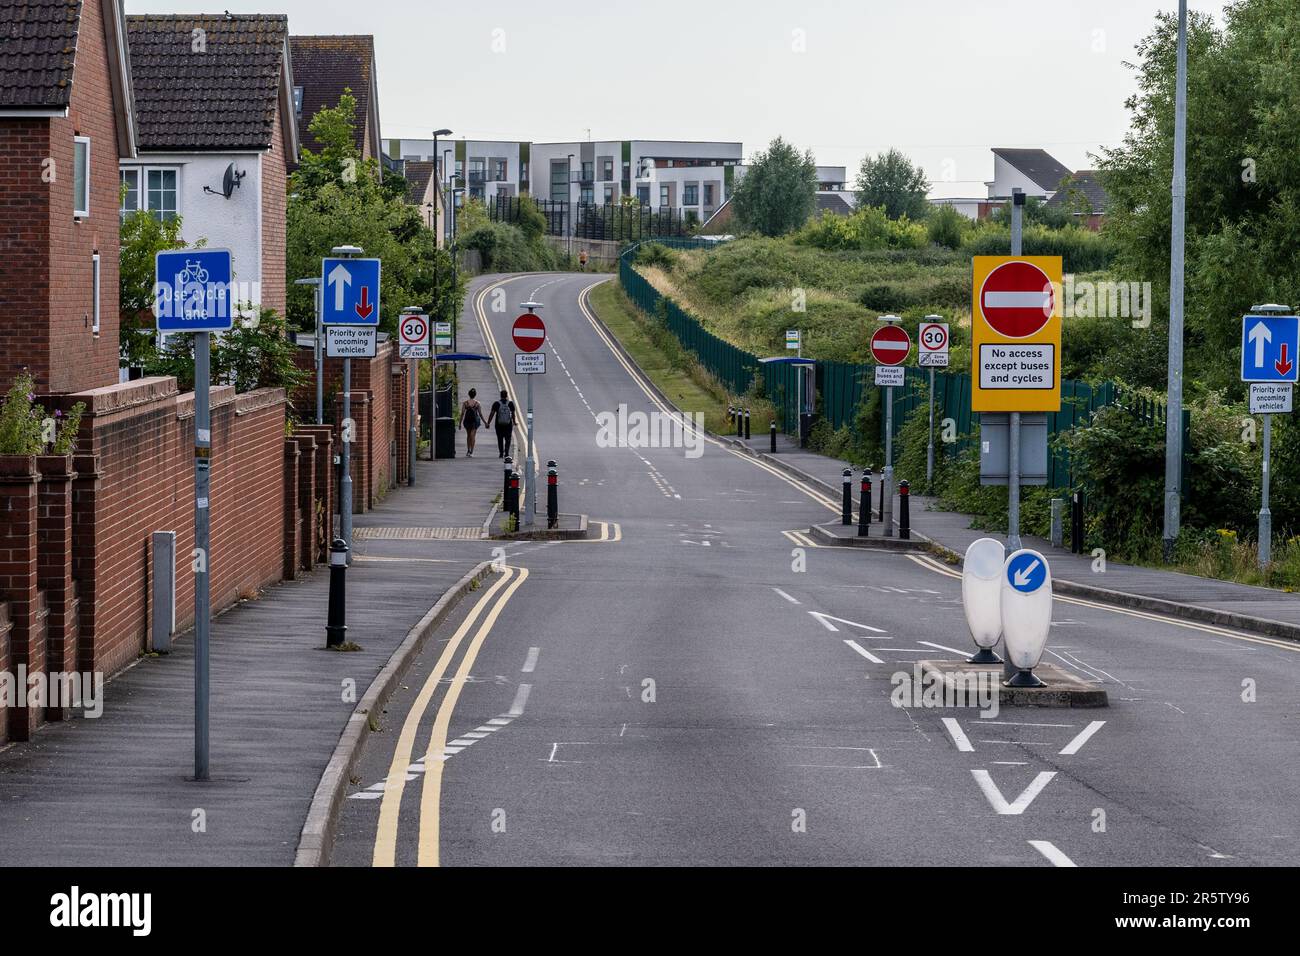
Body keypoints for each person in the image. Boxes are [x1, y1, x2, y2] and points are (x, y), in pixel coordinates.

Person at [485, 389, 516, 458]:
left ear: (500, 395)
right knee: (508, 438)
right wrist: (514, 422)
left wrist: (488, 423)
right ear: (507, 395)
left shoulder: (496, 404)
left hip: (499, 425)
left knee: (500, 438)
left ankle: (501, 453)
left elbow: (492, 414)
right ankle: (507, 453)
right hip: (508, 424)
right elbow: (513, 414)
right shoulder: (510, 403)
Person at [460, 388, 483, 457]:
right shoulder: (477, 403)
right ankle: (472, 451)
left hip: (467, 421)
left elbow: (462, 413)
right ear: (475, 395)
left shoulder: (465, 403)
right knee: (473, 436)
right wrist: (485, 422)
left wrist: (460, 423)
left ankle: (468, 450)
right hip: (474, 421)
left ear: (469, 394)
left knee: (468, 435)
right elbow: (480, 414)